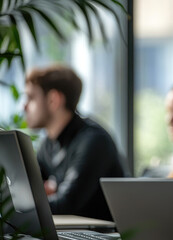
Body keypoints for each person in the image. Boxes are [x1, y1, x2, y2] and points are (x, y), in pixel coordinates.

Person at [24, 65, 125, 221]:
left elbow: (66, 204)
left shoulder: (93, 140)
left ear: (53, 100)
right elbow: (30, 190)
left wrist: (17, 207)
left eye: (31, 98)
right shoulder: (48, 145)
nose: (24, 106)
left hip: (102, 234)